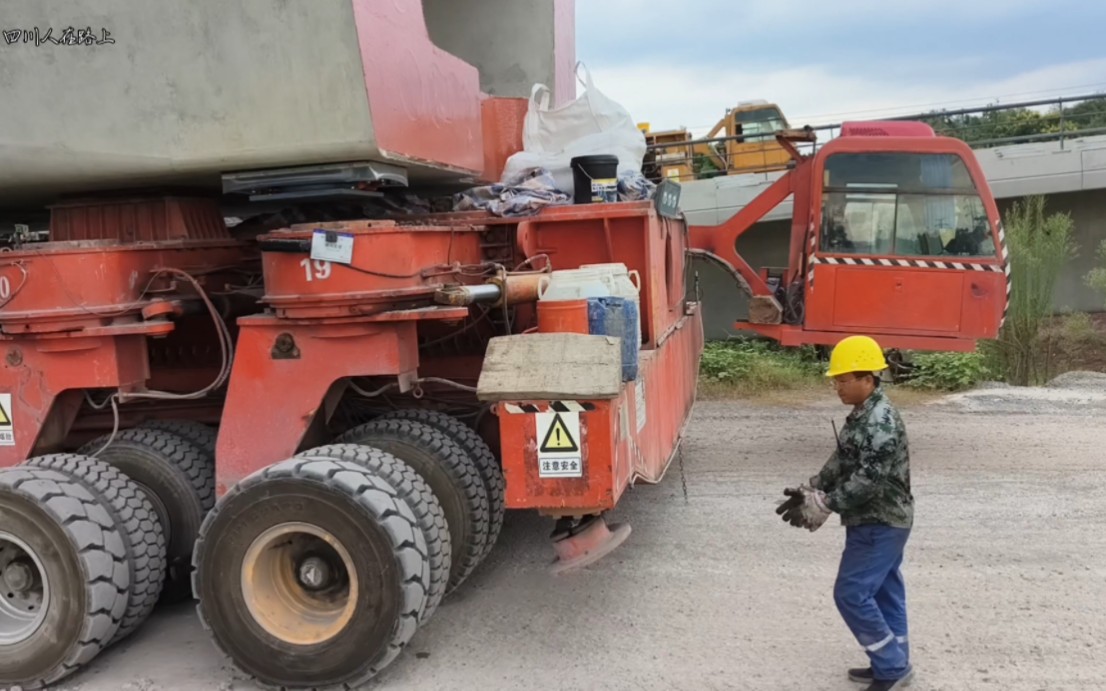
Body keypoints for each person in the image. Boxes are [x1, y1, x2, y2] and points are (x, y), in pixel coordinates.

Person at [776, 335, 915, 691]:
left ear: (867, 379)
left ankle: (892, 667)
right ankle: (893, 659)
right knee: (884, 591)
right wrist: (813, 486)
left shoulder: (880, 422)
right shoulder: (862, 414)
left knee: (851, 593)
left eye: (843, 379)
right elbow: (843, 459)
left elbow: (868, 479)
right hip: (878, 520)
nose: (837, 386)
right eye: (836, 380)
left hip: (880, 521)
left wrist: (825, 503)